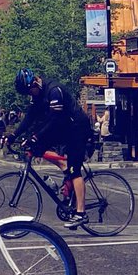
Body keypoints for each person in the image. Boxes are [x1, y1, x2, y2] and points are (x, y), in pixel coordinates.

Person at [11, 68, 92, 228]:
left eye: (29, 91)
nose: (30, 95)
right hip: (63, 127)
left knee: (75, 171)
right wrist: (14, 134)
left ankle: (81, 213)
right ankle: (63, 165)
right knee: (35, 148)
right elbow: (30, 116)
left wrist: (35, 136)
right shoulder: (37, 93)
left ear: (34, 83)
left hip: (77, 128)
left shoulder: (54, 91)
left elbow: (55, 120)